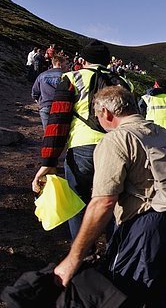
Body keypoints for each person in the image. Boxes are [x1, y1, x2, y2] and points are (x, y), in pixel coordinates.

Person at [52, 86, 166, 307]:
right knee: (163, 294)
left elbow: (103, 202)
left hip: (145, 226)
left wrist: (73, 258)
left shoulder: (116, 140)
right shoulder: (161, 132)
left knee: (124, 294)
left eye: (98, 116)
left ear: (106, 113)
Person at [31, 40, 131, 240]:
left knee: (77, 198)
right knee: (115, 200)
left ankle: (83, 252)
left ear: (83, 60)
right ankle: (116, 253)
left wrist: (48, 162)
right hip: (118, 149)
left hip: (82, 150)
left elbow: (58, 121)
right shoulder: (123, 83)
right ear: (106, 62)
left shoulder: (71, 78)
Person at [31, 54, 69, 130]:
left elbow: (34, 92)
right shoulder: (66, 76)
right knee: (61, 132)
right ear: (59, 63)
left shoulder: (42, 75)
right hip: (61, 107)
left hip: (45, 106)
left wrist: (39, 102)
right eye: (65, 64)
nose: (67, 66)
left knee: (48, 133)